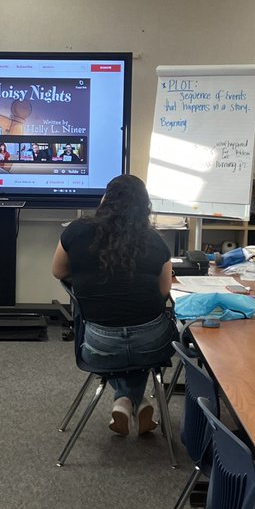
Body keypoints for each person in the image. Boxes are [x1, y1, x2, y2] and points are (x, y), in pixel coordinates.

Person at [52, 174, 174, 436]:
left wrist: (90, 279)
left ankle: (123, 400)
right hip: (152, 345)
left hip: (100, 345)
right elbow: (164, 291)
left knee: (119, 347)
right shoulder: (156, 241)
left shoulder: (76, 231)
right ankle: (134, 401)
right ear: (145, 207)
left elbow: (58, 271)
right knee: (136, 346)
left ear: (105, 199)